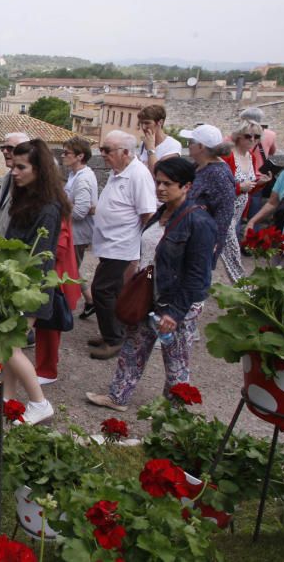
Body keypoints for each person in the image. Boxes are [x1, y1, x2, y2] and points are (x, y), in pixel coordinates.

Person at [86, 157, 218, 412]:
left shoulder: (199, 222)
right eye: (158, 182)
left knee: (176, 359)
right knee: (132, 348)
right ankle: (117, 397)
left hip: (176, 302)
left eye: (167, 184)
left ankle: (175, 411)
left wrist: (176, 312)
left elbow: (197, 274)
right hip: (150, 294)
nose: (160, 188)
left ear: (187, 186)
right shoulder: (162, 212)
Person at [0, 139, 71, 424]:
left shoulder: (49, 207)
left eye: (21, 167)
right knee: (9, 345)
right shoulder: (26, 197)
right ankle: (7, 398)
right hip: (17, 285)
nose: (14, 172)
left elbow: (40, 257)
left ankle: (40, 403)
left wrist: (16, 283)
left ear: (39, 170)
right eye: (13, 166)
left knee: (7, 345)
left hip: (31, 289)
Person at [89, 131, 157, 360]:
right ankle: (115, 332)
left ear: (126, 152)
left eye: (107, 150)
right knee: (113, 289)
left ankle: (113, 339)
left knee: (102, 289)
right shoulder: (119, 172)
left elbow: (148, 214)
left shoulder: (138, 175)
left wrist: (141, 253)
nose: (103, 155)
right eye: (102, 150)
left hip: (122, 245)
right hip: (110, 244)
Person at [182, 124, 236, 269]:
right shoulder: (199, 166)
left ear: (201, 146)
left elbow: (225, 213)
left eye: (190, 142)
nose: (188, 146)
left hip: (200, 243)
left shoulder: (218, 174)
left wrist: (212, 245)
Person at [222, 120, 271, 278]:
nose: (253, 140)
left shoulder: (250, 157)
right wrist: (239, 188)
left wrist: (260, 183)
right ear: (238, 136)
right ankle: (242, 288)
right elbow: (218, 186)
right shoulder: (229, 155)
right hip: (223, 210)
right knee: (232, 251)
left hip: (238, 213)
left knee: (216, 251)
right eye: (248, 136)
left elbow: (249, 189)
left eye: (257, 136)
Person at [62, 136, 98, 318]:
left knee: (69, 269)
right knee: (72, 268)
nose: (63, 156)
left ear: (79, 156)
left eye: (67, 153)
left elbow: (80, 211)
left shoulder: (82, 179)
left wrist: (62, 207)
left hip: (78, 233)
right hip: (75, 232)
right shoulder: (75, 175)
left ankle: (70, 306)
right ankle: (90, 301)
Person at [0, 132, 30, 237]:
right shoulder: (7, 178)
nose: (4, 151)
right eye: (3, 148)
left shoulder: (29, 185)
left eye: (10, 148)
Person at [135, 105, 181, 169]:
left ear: (160, 122)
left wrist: (150, 149)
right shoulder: (144, 143)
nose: (143, 127)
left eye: (147, 123)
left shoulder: (172, 146)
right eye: (141, 123)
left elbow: (156, 173)